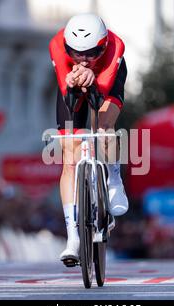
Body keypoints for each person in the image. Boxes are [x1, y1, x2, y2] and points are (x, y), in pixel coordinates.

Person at [49, 13, 128, 264]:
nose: (83, 59)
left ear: (103, 46)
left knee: (103, 126)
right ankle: (72, 237)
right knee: (70, 160)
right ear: (67, 47)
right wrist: (72, 81)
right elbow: (69, 97)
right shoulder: (57, 45)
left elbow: (99, 97)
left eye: (91, 53)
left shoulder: (116, 46)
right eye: (76, 53)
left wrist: (92, 79)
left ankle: (114, 178)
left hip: (107, 79)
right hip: (72, 83)